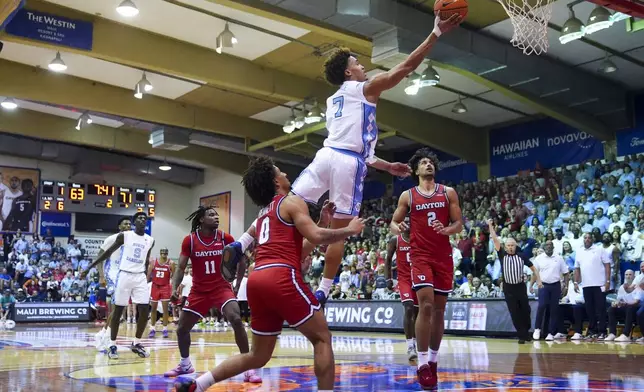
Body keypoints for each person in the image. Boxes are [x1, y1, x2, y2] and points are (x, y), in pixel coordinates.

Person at [287, 13, 462, 306]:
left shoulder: (332, 102)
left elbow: (350, 140)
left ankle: (271, 259)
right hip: (346, 163)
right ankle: (323, 290)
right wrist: (436, 33)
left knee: (290, 206)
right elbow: (405, 68)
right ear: (348, 73)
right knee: (337, 231)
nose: (362, 65)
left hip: (325, 155)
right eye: (356, 63)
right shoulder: (365, 88)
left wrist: (386, 165)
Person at [174, 156, 364, 392]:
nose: (285, 174)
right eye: (281, 171)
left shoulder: (264, 214)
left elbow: (299, 249)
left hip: (258, 280)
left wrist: (321, 221)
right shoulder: (292, 202)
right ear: (276, 182)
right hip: (281, 276)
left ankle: (198, 384)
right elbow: (315, 237)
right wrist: (349, 230)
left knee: (258, 355)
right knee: (322, 338)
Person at [389, 148, 463, 390]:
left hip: (443, 256)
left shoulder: (448, 192)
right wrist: (396, 227)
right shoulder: (408, 196)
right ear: (416, 170)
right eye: (423, 162)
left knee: (440, 311)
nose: (428, 165)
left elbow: (459, 223)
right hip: (420, 256)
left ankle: (433, 361)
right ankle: (421, 364)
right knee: (426, 305)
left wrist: (448, 230)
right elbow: (393, 222)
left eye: (431, 162)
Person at [164, 205, 261, 383]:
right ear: (201, 219)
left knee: (237, 319)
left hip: (221, 288)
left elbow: (242, 260)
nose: (216, 218)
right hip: (199, 290)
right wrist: (174, 289)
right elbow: (180, 267)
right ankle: (185, 365)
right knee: (181, 329)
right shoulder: (190, 240)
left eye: (217, 215)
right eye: (211, 215)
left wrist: (238, 283)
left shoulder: (225, 238)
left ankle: (248, 367)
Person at [84, 212, 154, 359]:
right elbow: (108, 252)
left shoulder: (150, 240)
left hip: (139, 276)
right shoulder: (125, 236)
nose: (142, 220)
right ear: (135, 222)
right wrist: (90, 266)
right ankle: (112, 344)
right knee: (117, 311)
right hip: (123, 274)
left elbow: (147, 259)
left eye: (145, 218)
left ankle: (137, 343)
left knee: (145, 310)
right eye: (139, 218)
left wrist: (146, 277)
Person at [488, 220, 541, 344]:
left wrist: (538, 280)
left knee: (526, 310)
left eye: (512, 245)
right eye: (508, 245)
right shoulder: (502, 254)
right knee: (514, 312)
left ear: (515, 246)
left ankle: (526, 330)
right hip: (508, 288)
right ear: (505, 247)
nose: (510, 247)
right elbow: (495, 239)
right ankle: (522, 336)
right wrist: (490, 225)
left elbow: (533, 268)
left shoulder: (522, 256)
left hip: (520, 286)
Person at [94, 217, 131, 351]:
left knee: (118, 310)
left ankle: (103, 334)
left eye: (129, 224)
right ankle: (105, 337)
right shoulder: (111, 239)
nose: (128, 225)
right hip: (112, 274)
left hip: (124, 275)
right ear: (119, 226)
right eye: (125, 224)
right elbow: (99, 257)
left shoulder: (132, 240)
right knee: (116, 309)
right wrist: (101, 275)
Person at [385, 216, 418, 362]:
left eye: (410, 221)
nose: (408, 224)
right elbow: (387, 259)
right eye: (405, 222)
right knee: (409, 308)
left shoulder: (419, 239)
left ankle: (417, 342)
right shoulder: (395, 240)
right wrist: (388, 278)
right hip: (404, 280)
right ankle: (410, 345)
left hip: (418, 278)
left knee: (417, 313)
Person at [573, 232, 611, 340]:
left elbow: (608, 265)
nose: (587, 239)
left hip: (599, 284)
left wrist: (607, 281)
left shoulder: (600, 249)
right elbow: (577, 268)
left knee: (601, 309)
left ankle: (602, 331)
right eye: (585, 238)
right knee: (589, 309)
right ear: (583, 239)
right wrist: (575, 282)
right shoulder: (579, 251)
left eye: (589, 238)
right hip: (586, 285)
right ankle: (592, 331)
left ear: (592, 239)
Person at [531, 240, 569, 341]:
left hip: (555, 285)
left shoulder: (559, 258)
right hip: (543, 285)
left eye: (550, 245)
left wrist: (566, 286)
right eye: (546, 245)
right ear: (544, 247)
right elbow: (535, 273)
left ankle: (550, 333)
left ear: (553, 247)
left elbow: (566, 273)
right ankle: (537, 329)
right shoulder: (539, 258)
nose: (548, 247)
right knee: (542, 306)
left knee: (554, 309)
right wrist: (531, 285)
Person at [148, 247, 174, 338]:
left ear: (167, 253)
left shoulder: (171, 263)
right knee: (153, 308)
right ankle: (152, 328)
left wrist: (173, 288)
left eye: (165, 253)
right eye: (162, 252)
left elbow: (174, 277)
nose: (164, 254)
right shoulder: (153, 262)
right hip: (155, 286)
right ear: (160, 253)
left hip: (165, 287)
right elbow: (148, 275)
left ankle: (165, 329)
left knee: (165, 309)